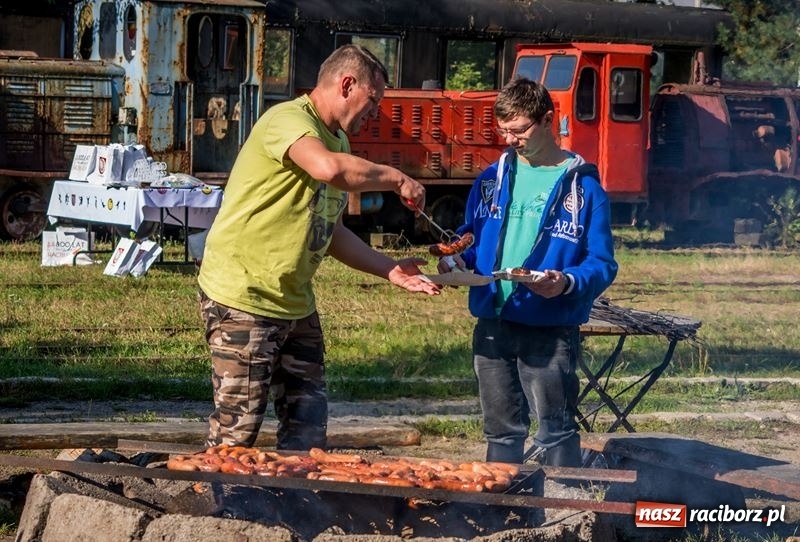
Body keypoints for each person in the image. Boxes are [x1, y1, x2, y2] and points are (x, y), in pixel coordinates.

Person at [197, 44, 440, 451]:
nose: (374, 112)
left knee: (308, 435)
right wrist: (397, 179)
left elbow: (329, 232)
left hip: (294, 304)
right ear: (348, 85)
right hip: (244, 297)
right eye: (373, 100)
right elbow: (329, 170)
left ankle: (296, 509)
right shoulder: (288, 121)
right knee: (236, 435)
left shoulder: (339, 142)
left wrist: (390, 269)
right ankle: (211, 507)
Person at [439, 77, 618, 467]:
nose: (510, 139)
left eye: (519, 130)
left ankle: (569, 508)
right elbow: (471, 239)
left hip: (549, 326)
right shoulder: (491, 179)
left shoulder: (584, 187)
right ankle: (502, 510)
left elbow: (603, 263)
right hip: (492, 321)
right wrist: (455, 262)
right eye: (503, 130)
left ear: (547, 120)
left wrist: (567, 282)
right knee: (500, 431)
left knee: (555, 429)